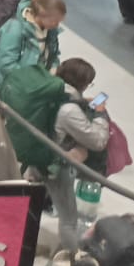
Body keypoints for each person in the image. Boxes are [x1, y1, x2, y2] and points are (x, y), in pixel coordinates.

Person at [44, 57, 109, 253]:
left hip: (36, 155)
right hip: (55, 164)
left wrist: (81, 102)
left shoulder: (51, 91)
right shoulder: (69, 110)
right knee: (69, 219)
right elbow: (97, 141)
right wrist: (100, 115)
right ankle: (74, 260)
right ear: (82, 83)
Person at [0, 0, 66, 94]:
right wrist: (30, 81)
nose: (56, 25)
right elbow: (6, 63)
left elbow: (54, 56)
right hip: (2, 84)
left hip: (30, 84)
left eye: (59, 21)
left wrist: (52, 71)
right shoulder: (15, 29)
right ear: (42, 14)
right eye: (54, 21)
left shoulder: (51, 32)